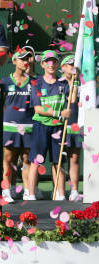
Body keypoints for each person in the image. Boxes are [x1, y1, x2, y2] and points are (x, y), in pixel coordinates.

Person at [28, 50, 70, 201]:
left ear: (58, 64)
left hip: (58, 127)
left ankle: (61, 195)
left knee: (57, 162)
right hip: (41, 126)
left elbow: (70, 102)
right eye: (48, 61)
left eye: (54, 61)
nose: (51, 64)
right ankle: (31, 194)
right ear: (43, 64)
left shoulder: (63, 83)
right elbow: (38, 109)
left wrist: (75, 79)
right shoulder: (36, 83)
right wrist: (59, 114)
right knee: (35, 161)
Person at [1, 47, 35, 203]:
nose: (25, 61)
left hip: (28, 126)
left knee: (27, 159)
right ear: (14, 61)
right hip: (9, 126)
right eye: (22, 58)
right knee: (9, 160)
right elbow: (1, 104)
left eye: (27, 58)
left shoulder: (34, 82)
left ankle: (28, 191)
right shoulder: (5, 82)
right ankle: (7, 190)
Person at [60, 54, 82, 201]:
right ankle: (60, 192)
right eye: (69, 64)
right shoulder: (56, 83)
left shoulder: (83, 86)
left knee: (74, 158)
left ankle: (74, 190)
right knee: (59, 160)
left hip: (75, 126)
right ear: (62, 68)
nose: (72, 67)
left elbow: (76, 101)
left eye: (74, 64)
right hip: (59, 126)